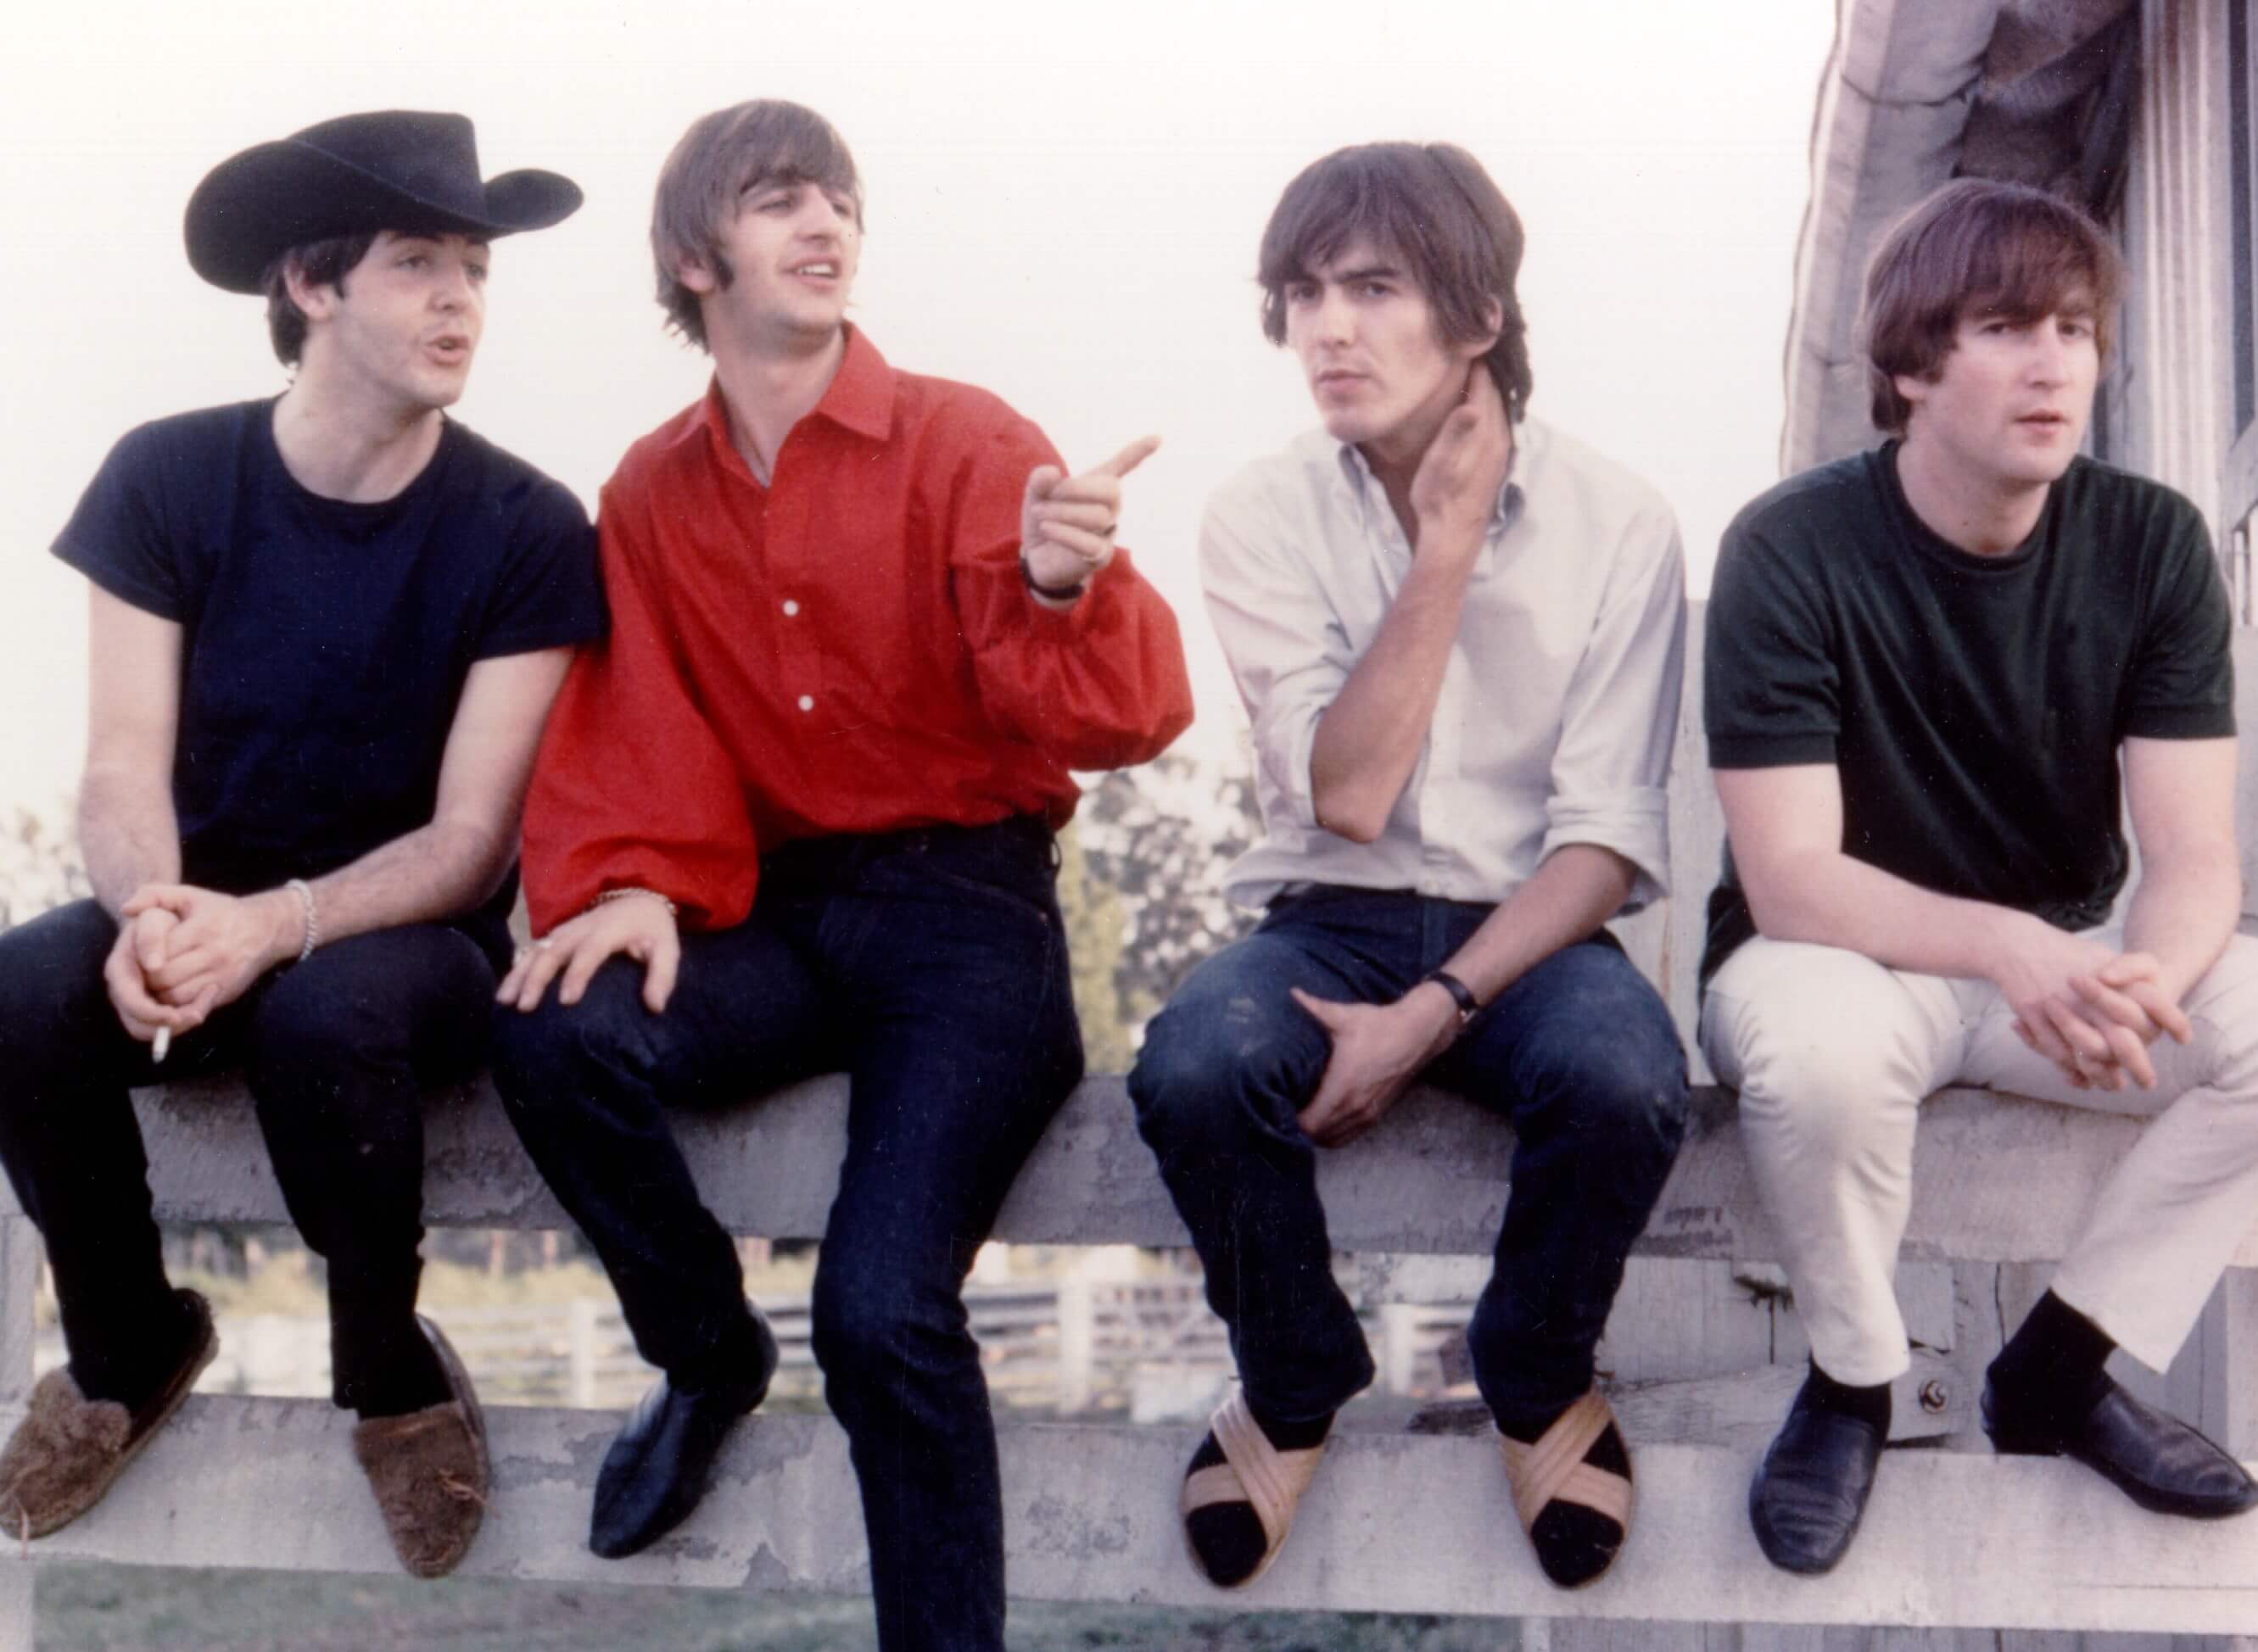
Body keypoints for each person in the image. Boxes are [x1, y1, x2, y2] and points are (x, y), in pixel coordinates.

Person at [489, 99, 1192, 1652]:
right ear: (694, 260)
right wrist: (631, 881)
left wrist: (1062, 587)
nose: (825, 224)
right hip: (778, 916)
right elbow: (642, 715)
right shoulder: (652, 492)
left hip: (969, 922)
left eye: (841, 200)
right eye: (779, 200)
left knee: (881, 1314)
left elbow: (1132, 716)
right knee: (552, 1025)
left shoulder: (969, 441)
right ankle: (706, 1356)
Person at [0, 111, 599, 1578]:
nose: (461, 299)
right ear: (313, 287)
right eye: (416, 263)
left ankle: (388, 1372)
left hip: (406, 953)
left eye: (474, 266)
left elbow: (470, 843)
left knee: (328, 1015)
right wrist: (150, 913)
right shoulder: (167, 479)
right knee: (20, 987)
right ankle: (130, 1347)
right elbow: (122, 764)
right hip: (201, 915)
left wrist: (272, 926)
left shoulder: (528, 527)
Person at [1127, 141, 1691, 1593]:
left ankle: (1530, 1364)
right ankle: (1295, 1370)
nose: (1326, 328)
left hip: (1532, 932)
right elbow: (1354, 794)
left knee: (1627, 1080)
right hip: (1326, 918)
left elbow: (1604, 842)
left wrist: (1436, 1008)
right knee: (1194, 1063)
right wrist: (1441, 552)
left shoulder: (1615, 518)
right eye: (1303, 292)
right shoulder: (1262, 511)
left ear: (1479, 317)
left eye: (1373, 288)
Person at [1704, 177, 2258, 1577]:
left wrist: (2148, 975)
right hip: (1845, 961)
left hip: (2057, 968)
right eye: (2005, 326)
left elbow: (2194, 852)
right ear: (1907, 366)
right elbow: (1790, 883)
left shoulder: (2148, 541)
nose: (2052, 362)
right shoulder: (1789, 545)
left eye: (2074, 329)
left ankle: (2058, 1372)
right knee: (1812, 1053)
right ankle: (1852, 1383)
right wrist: (2016, 949)